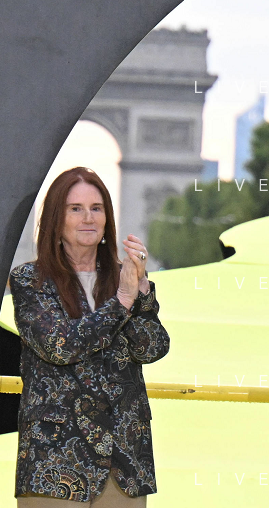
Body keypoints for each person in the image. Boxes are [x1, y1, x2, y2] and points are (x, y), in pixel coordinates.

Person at [9, 167, 169, 506]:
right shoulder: (30, 280)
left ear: (107, 218)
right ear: (56, 219)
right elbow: (59, 346)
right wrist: (122, 301)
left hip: (124, 464)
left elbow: (152, 347)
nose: (88, 218)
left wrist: (141, 291)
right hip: (55, 462)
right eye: (75, 209)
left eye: (96, 208)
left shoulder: (125, 278)